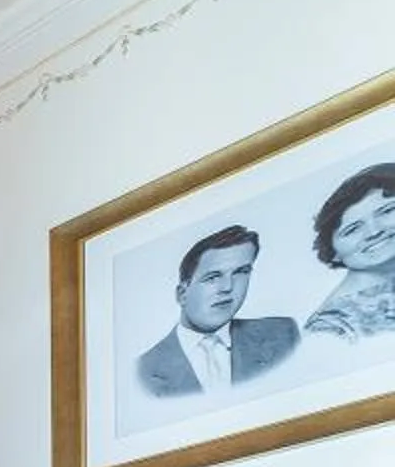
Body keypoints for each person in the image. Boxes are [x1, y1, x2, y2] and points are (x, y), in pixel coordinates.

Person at [133, 225, 297, 398]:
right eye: (212, 277)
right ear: (182, 294)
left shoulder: (283, 334)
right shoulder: (144, 371)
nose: (228, 287)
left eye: (240, 272)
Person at [304, 162, 395, 344]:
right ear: (333, 252)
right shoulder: (332, 328)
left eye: (387, 211)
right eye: (352, 229)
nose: (374, 231)